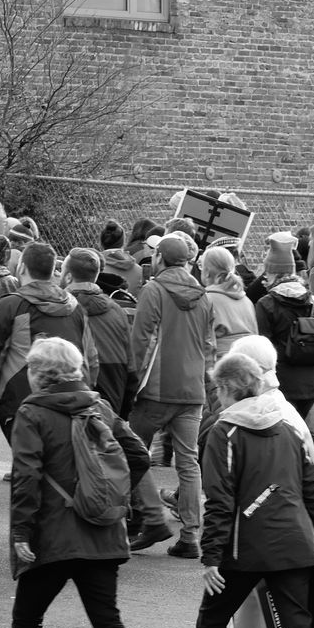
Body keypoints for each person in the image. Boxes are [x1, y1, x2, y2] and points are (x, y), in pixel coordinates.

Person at [0, 337, 162, 628]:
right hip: (102, 532)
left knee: (28, 617)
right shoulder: (97, 406)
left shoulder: (32, 413)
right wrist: (113, 497)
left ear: (38, 373)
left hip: (53, 534)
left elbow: (27, 477)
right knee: (109, 622)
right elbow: (138, 456)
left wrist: (20, 532)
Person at [170, 351, 314, 628]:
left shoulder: (224, 432)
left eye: (217, 389)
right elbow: (312, 490)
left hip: (244, 549)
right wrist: (311, 533)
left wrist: (211, 557)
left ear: (227, 389)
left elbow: (220, 501)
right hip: (295, 545)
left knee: (212, 623)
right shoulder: (290, 428)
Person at [125, 233, 213, 557]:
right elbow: (208, 344)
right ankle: (190, 536)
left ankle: (140, 522)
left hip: (156, 388)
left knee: (132, 454)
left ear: (159, 259)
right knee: (189, 463)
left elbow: (139, 340)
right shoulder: (204, 295)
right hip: (192, 389)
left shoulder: (154, 290)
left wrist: (129, 384)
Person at [0, 242, 91, 442]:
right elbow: (89, 358)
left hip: (21, 404)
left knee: (29, 465)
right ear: (52, 270)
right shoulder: (75, 308)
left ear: (22, 267)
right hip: (69, 402)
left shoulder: (11, 306)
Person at [254, 235, 314, 422]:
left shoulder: (266, 304)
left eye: (266, 273)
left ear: (273, 273)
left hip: (282, 384)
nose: (263, 278)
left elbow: (264, 350)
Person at [65, 248, 132, 421]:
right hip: (110, 401)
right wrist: (123, 413)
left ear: (67, 277)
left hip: (67, 401)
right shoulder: (117, 311)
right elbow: (131, 366)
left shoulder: (60, 309)